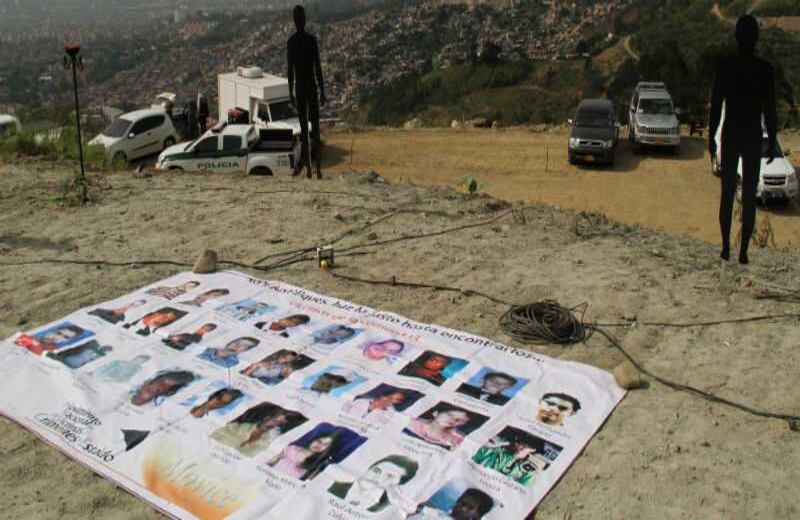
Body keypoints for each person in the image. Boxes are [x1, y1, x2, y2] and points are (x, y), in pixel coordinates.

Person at [710, 14, 778, 265]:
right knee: (748, 197)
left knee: (727, 193)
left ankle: (726, 247)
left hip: (731, 134)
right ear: (756, 38)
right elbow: (770, 110)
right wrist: (772, 139)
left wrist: (711, 136)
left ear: (736, 37)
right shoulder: (764, 70)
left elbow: (716, 104)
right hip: (751, 136)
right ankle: (743, 252)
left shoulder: (726, 66)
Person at [287, 5, 325, 179]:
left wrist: (291, 92)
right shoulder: (311, 40)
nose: (299, 21)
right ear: (303, 20)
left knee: (306, 128)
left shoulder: (292, 42)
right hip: (309, 86)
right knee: (313, 126)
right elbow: (317, 68)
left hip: (301, 87)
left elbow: (290, 71)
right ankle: (317, 168)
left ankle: (311, 168)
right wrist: (322, 90)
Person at [328, 455, 419, 512]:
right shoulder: (337, 485)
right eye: (377, 470)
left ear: (399, 483)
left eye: (390, 476)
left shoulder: (389, 507)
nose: (377, 477)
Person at [211, 403, 305, 457]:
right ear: (267, 418)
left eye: (280, 424)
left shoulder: (268, 443)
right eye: (275, 421)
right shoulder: (234, 427)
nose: (275, 425)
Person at [472, 433, 549, 486]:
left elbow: (522, 490)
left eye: (529, 446)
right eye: (523, 442)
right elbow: (473, 459)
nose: (524, 447)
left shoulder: (530, 471)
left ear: (533, 450)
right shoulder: (494, 450)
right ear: (517, 443)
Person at [267, 431, 338, 480]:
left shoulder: (317, 463)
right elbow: (269, 463)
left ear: (327, 449)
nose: (320, 445)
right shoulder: (292, 448)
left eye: (325, 445)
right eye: (319, 441)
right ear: (313, 439)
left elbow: (308, 482)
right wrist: (276, 458)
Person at [403, 405, 471, 450]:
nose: (453, 420)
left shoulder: (456, 439)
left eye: (458, 420)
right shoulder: (413, 422)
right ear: (436, 413)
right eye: (450, 415)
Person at [408, 488, 494, 520]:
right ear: (458, 501)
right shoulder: (431, 511)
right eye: (463, 503)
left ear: (477, 515)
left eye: (470, 508)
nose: (463, 508)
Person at [15, 323, 90, 355]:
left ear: (67, 341)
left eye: (65, 337)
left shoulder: (50, 351)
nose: (56, 337)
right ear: (53, 331)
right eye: (59, 333)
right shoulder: (29, 337)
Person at [241, 350, 308, 385]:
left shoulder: (285, 367)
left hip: (263, 381)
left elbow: (287, 377)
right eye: (285, 357)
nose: (286, 359)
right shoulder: (267, 359)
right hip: (250, 376)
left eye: (289, 359)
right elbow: (250, 368)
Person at [131, 370, 195, 406]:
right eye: (144, 399)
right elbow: (191, 377)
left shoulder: (151, 375)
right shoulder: (169, 384)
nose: (145, 395)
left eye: (140, 394)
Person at [342, 387, 408, 421]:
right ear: (382, 395)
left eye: (397, 400)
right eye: (390, 397)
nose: (390, 401)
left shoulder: (391, 414)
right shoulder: (360, 401)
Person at [47, 341, 112, 370]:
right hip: (71, 358)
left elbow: (91, 361)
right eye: (106, 347)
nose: (105, 349)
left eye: (106, 349)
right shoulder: (94, 345)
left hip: (75, 363)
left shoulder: (101, 355)